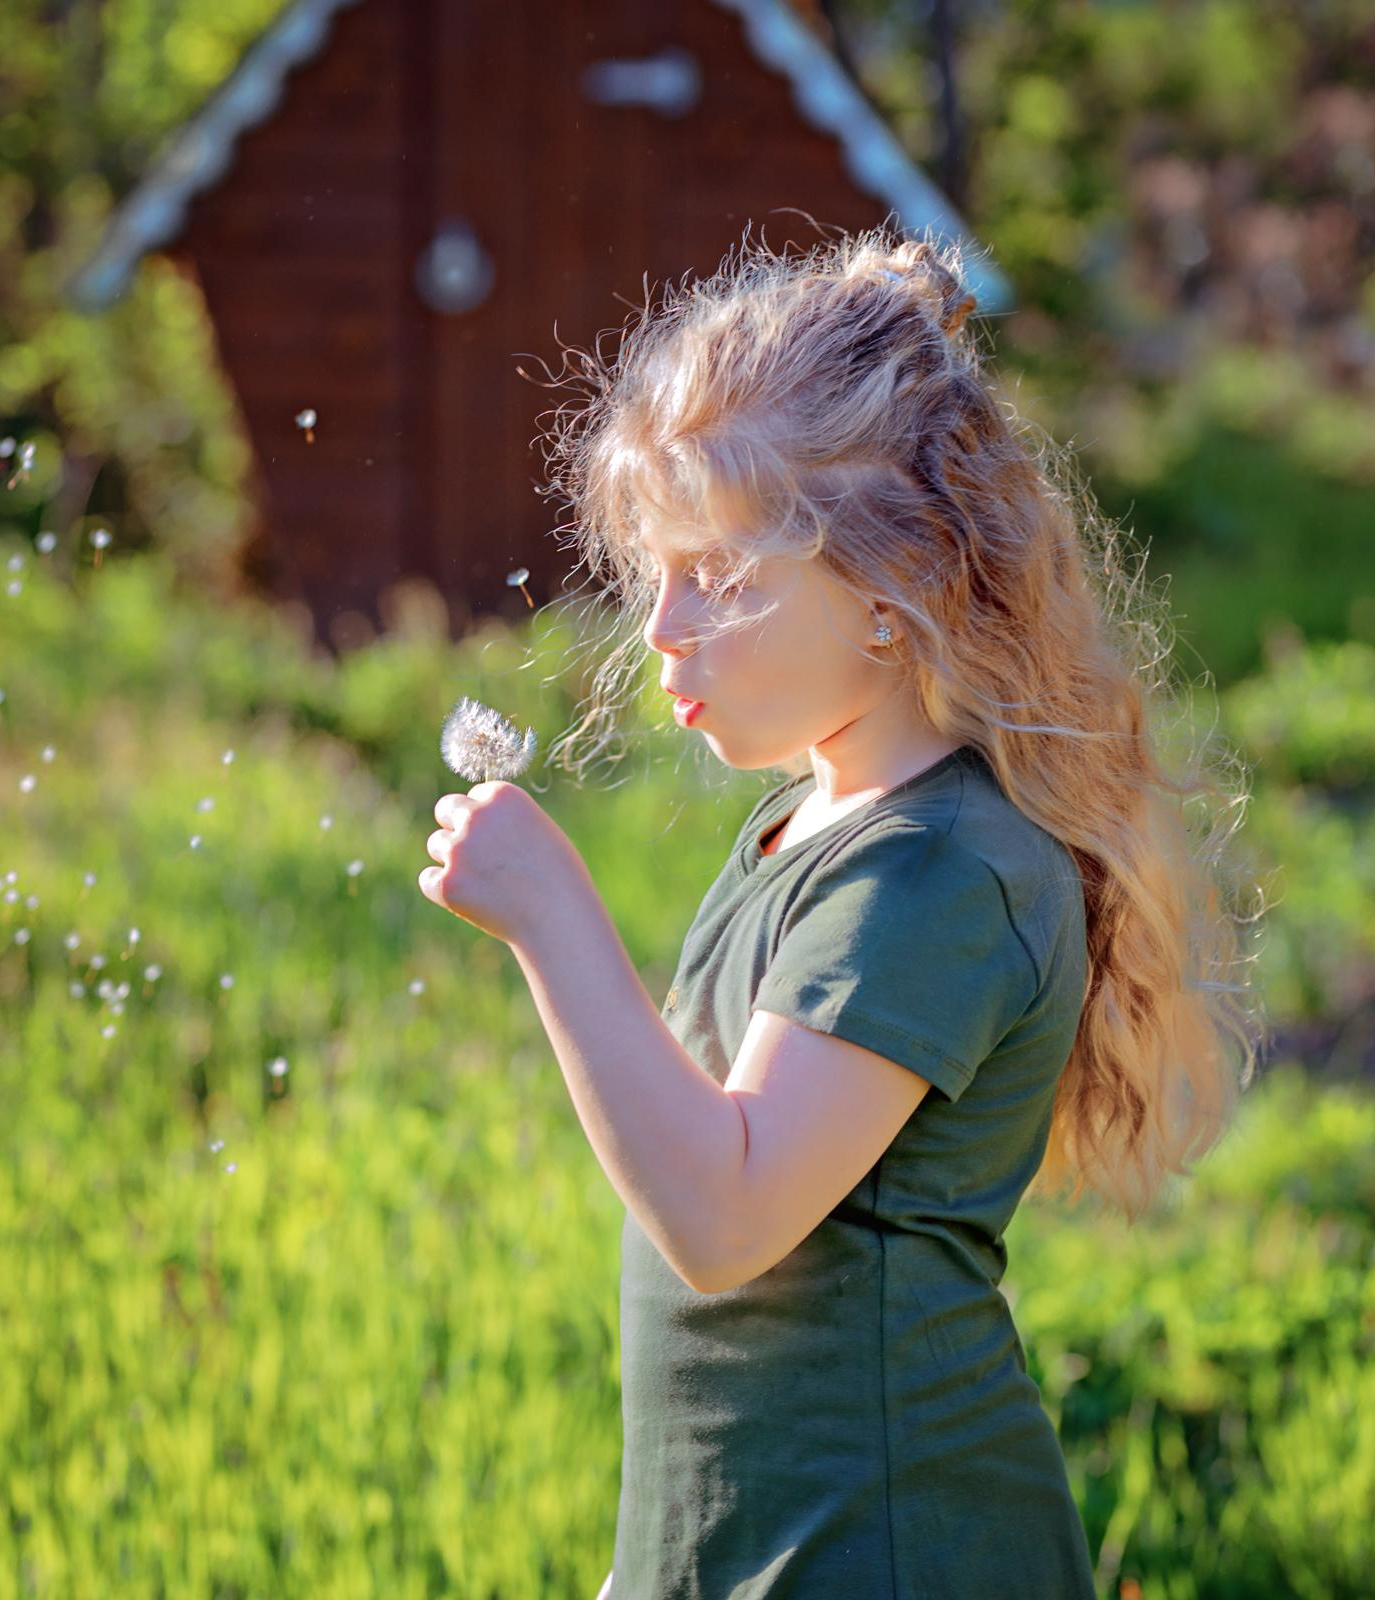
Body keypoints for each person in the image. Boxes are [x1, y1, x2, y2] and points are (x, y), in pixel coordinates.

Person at [424, 223, 1265, 1598]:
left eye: (726, 574)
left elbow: (726, 1213)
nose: (663, 627)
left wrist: (554, 921)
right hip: (765, 1539)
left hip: (888, 1547)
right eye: (660, 569)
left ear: (893, 592)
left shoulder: (937, 875)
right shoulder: (812, 826)